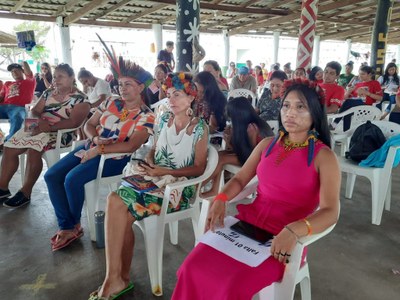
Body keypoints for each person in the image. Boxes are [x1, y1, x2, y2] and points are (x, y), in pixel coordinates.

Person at [172, 79, 340, 300]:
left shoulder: (324, 156)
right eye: (286, 106)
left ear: (315, 113)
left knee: (231, 286)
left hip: (284, 239)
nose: (290, 113)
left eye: (300, 107)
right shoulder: (267, 144)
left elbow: (330, 211)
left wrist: (294, 231)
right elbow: (240, 179)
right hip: (248, 226)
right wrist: (221, 197)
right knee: (191, 268)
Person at [88, 72, 208, 299]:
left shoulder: (200, 128)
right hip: (155, 177)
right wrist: (152, 160)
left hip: (177, 188)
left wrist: (166, 171)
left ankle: (117, 279)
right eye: (169, 94)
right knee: (115, 201)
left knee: (117, 203)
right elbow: (155, 148)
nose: (171, 100)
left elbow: (199, 168)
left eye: (178, 95)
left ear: (191, 98)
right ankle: (116, 278)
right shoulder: (163, 119)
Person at [45, 58, 155, 252]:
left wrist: (98, 150)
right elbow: (89, 124)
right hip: (91, 147)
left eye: (128, 84)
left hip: (115, 159)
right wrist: (95, 140)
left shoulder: (147, 116)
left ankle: (70, 226)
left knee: (72, 179)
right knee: (51, 175)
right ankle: (69, 225)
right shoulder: (112, 101)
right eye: (120, 84)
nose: (122, 88)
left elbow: (130, 146)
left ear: (140, 88)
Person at [0, 63, 90, 208]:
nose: (56, 80)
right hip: (37, 126)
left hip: (60, 133)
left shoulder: (81, 99)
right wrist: (38, 121)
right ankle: (2, 188)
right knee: (9, 147)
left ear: (72, 77)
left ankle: (25, 192)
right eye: (55, 77)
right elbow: (34, 111)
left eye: (61, 76)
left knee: (34, 150)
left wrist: (49, 127)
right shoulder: (48, 93)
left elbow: (74, 122)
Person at [201, 97, 273, 198]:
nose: (231, 121)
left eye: (232, 118)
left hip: (259, 161)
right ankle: (214, 188)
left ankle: (199, 185)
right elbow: (240, 150)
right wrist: (228, 139)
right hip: (248, 155)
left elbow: (251, 156)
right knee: (219, 155)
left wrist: (250, 138)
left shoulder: (253, 128)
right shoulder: (245, 124)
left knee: (222, 159)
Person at [0, 61, 36, 142]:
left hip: (19, 107)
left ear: (22, 71)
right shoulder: (7, 83)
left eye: (16, 70)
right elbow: (1, 96)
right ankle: (1, 139)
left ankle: (9, 143)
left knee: (17, 117)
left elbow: (29, 72)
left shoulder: (29, 81)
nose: (14, 72)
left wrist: (24, 63)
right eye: (12, 71)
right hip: (4, 106)